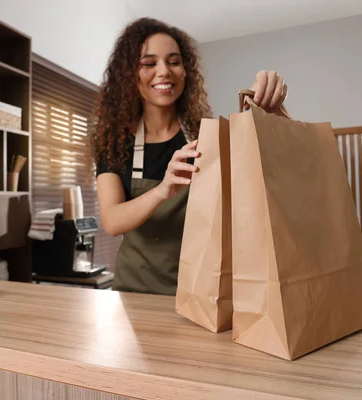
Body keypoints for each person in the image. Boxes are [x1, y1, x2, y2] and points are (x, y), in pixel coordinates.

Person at [91, 17, 289, 295]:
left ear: (186, 71)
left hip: (199, 293)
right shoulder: (114, 143)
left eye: (173, 61)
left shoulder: (206, 134)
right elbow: (112, 221)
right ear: (129, 74)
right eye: (149, 63)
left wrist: (272, 111)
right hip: (134, 292)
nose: (164, 72)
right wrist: (162, 190)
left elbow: (258, 189)